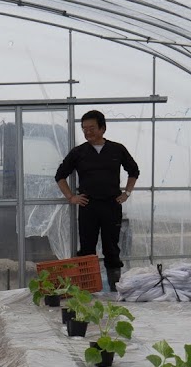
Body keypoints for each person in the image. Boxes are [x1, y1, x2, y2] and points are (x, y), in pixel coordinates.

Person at [54, 110, 140, 291]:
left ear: (103, 128)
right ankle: (87, 289)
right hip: (88, 206)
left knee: (111, 248)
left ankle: (115, 289)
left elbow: (134, 171)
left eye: (92, 128)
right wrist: (71, 197)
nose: (87, 132)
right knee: (86, 248)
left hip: (111, 205)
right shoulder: (79, 152)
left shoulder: (117, 149)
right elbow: (60, 176)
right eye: (84, 129)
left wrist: (127, 193)